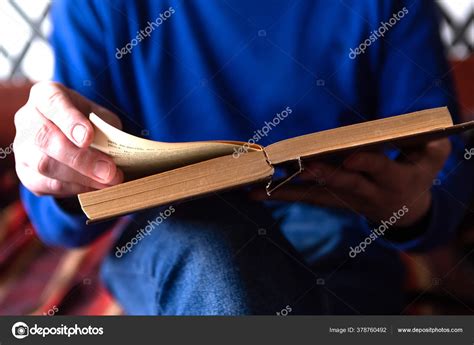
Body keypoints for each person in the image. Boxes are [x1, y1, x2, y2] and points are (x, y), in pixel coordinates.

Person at [13, 0, 474, 315]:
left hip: (345, 245)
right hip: (174, 235)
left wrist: (415, 208)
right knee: (214, 260)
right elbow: (56, 216)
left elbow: (443, 159)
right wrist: (56, 169)